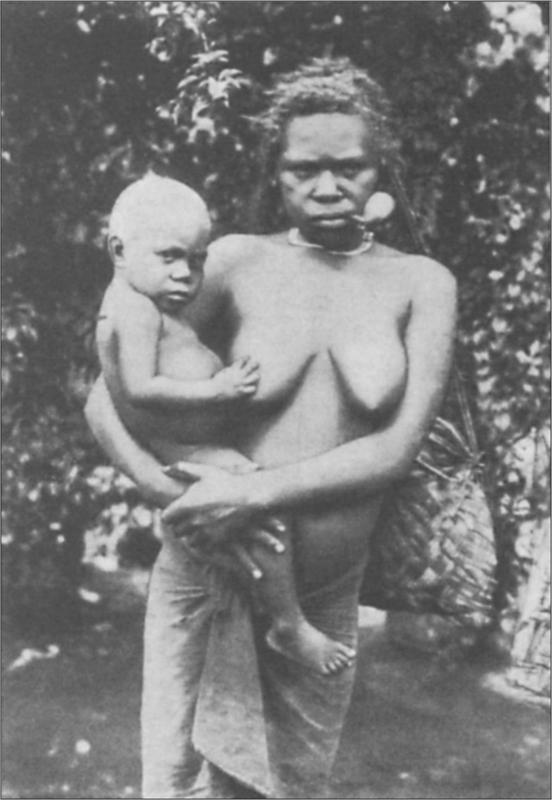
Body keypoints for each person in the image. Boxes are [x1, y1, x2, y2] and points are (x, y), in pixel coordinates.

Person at [85, 57, 457, 799]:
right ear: (276, 173)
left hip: (319, 600)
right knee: (178, 783)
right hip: (208, 568)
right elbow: (106, 395)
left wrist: (253, 498)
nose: (326, 187)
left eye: (348, 168)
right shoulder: (232, 263)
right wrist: (179, 493)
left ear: (380, 168)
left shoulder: (421, 283)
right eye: (303, 169)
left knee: (292, 788)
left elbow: (396, 448)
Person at [97, 173, 355, 675]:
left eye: (196, 261)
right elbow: (138, 388)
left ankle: (268, 605)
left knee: (248, 522)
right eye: (170, 257)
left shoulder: (145, 304)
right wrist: (215, 390)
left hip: (190, 443)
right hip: (185, 453)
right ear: (118, 250)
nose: (186, 276)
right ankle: (288, 622)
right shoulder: (132, 312)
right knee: (255, 500)